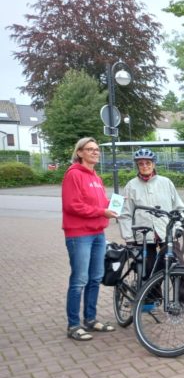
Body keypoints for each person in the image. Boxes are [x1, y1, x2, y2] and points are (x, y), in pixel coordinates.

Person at [118, 149, 184, 314]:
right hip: (143, 234)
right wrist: (128, 237)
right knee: (148, 268)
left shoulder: (166, 182)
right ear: (137, 165)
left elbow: (179, 208)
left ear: (153, 164)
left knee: (177, 265)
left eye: (148, 163)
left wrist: (179, 227)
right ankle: (153, 299)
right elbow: (125, 214)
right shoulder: (131, 186)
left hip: (167, 232)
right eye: (141, 164)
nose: (144, 166)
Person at [61, 137, 119, 341]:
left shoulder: (96, 177)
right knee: (79, 279)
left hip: (97, 233)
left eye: (97, 149)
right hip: (79, 234)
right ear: (80, 153)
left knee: (95, 278)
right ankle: (73, 325)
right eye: (90, 149)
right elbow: (72, 206)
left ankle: (91, 320)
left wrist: (114, 204)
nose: (95, 152)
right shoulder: (73, 175)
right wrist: (102, 211)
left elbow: (101, 202)